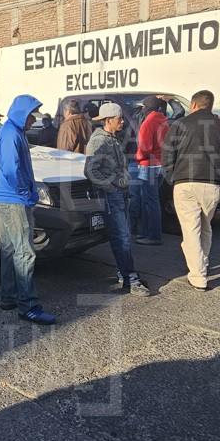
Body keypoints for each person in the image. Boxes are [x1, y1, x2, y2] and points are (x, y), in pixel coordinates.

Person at [162, 90, 220, 291]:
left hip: (185, 182)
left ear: (193, 104)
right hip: (212, 183)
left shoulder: (180, 124)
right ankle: (201, 267)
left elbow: (167, 152)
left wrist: (171, 176)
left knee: (191, 230)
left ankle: (198, 275)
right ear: (211, 105)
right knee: (205, 227)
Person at [0, 94, 55, 325]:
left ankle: (8, 297)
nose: (34, 120)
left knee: (11, 249)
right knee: (24, 252)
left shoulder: (13, 131)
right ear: (22, 113)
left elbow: (12, 169)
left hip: (9, 199)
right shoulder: (11, 133)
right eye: (31, 115)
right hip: (13, 200)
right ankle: (28, 307)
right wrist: (23, 193)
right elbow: (11, 170)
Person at [85, 102, 152, 296]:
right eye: (119, 119)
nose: (122, 122)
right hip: (112, 195)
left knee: (124, 236)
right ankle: (130, 278)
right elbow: (90, 170)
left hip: (120, 194)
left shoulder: (113, 138)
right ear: (108, 120)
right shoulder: (100, 141)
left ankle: (126, 274)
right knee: (121, 237)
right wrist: (111, 187)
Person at [134, 95, 169, 245]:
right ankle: (147, 233)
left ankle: (153, 236)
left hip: (149, 166)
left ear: (146, 108)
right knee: (152, 200)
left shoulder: (148, 123)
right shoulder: (163, 120)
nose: (142, 109)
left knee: (150, 202)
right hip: (161, 165)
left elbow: (144, 148)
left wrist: (137, 158)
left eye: (143, 106)